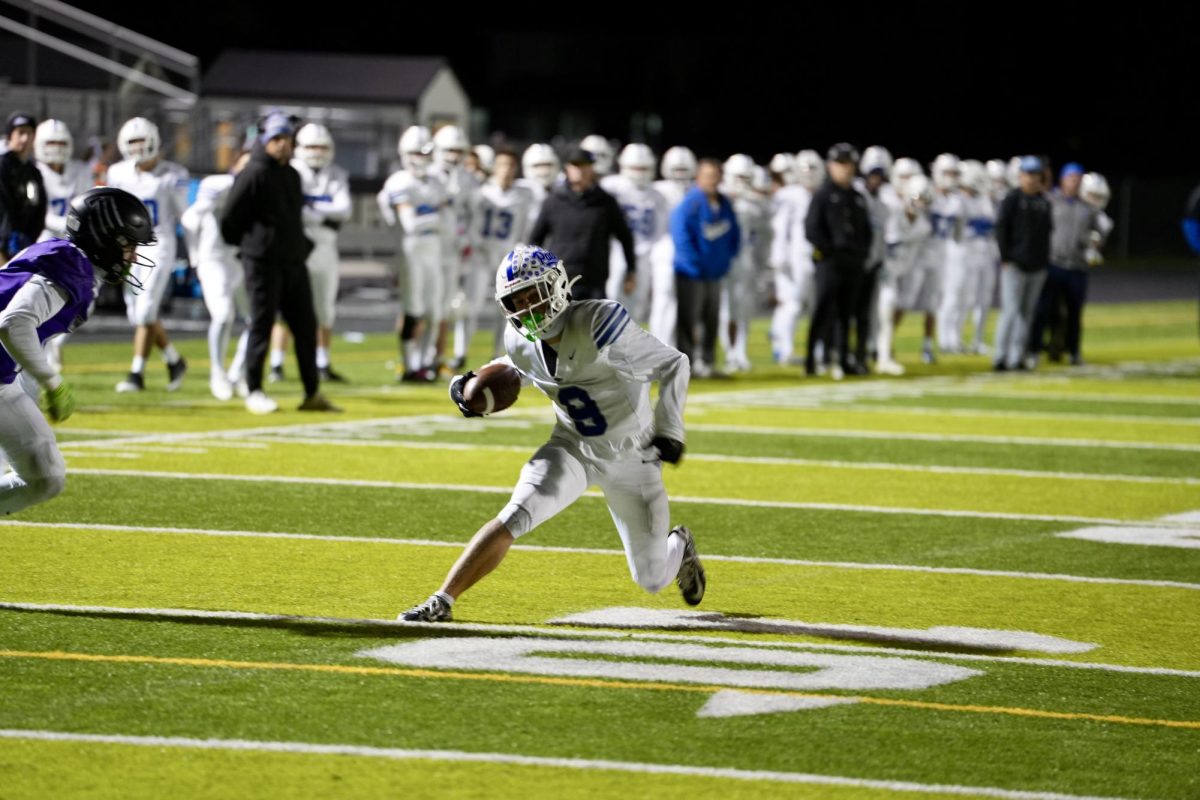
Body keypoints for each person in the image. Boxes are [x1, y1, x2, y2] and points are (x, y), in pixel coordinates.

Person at [399, 244, 702, 622]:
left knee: (652, 578)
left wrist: (670, 429)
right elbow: (510, 370)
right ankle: (441, 601)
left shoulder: (598, 323)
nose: (526, 308)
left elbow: (674, 363)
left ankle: (679, 545)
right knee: (515, 515)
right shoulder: (518, 339)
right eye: (516, 301)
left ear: (557, 285)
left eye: (533, 294)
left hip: (633, 456)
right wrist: (463, 388)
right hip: (572, 447)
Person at [0, 187, 154, 514]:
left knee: (46, 475)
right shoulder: (71, 267)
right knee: (42, 475)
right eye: (128, 245)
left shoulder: (61, 254)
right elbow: (13, 324)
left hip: (4, 376)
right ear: (105, 238)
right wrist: (52, 383)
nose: (132, 256)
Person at [220, 111, 339, 414]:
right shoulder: (254, 173)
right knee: (261, 325)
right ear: (264, 140)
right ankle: (254, 389)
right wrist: (254, 246)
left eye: (286, 138)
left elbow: (293, 217)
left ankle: (312, 393)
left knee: (305, 326)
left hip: (293, 261)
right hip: (262, 262)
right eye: (276, 139)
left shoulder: (291, 174)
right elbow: (230, 218)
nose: (282, 144)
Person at [105, 117, 190, 393]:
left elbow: (183, 214)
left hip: (158, 243)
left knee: (145, 311)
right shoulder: (118, 173)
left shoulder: (172, 174)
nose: (138, 147)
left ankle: (136, 374)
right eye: (132, 142)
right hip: (129, 247)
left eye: (142, 140)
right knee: (137, 313)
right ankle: (174, 360)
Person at [270, 123, 353, 383]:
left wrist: (311, 211)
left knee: (325, 308)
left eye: (322, 146)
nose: (317, 152)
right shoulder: (291, 171)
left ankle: (323, 362)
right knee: (286, 309)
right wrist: (321, 213)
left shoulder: (336, 174)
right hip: (296, 248)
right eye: (312, 146)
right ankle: (276, 363)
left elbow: (344, 209)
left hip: (326, 248)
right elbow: (292, 211)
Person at [377, 125, 448, 382]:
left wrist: (426, 214)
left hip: (433, 250)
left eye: (424, 152)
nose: (420, 157)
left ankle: (425, 362)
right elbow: (410, 224)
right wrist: (435, 216)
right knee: (413, 310)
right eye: (415, 152)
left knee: (434, 312)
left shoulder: (436, 181)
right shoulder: (398, 181)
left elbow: (442, 219)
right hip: (411, 251)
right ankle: (409, 364)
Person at [181, 150, 252, 401]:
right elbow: (191, 218)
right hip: (214, 259)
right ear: (234, 165)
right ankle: (217, 373)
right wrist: (194, 256)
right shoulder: (219, 184)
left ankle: (238, 373)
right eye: (245, 163)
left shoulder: (259, 188)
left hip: (243, 260)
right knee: (223, 315)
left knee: (258, 321)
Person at [529, 147, 635, 302]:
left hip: (594, 283)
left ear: (592, 169)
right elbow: (535, 240)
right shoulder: (553, 201)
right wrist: (533, 273)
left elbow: (625, 237)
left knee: (595, 325)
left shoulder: (605, 202)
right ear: (567, 168)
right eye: (575, 165)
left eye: (584, 165)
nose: (580, 170)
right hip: (558, 281)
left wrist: (631, 270)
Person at [804, 143, 872, 378]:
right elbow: (811, 229)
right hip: (830, 263)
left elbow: (866, 231)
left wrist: (860, 254)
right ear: (831, 166)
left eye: (849, 164)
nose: (845, 169)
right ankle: (811, 361)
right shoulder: (823, 195)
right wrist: (829, 252)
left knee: (847, 314)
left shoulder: (857, 197)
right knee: (822, 311)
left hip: (852, 263)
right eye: (841, 164)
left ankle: (844, 359)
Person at [33, 118, 94, 373]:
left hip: (73, 244)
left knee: (88, 299)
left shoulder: (80, 170)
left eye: (61, 142)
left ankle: (55, 340)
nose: (56, 148)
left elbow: (88, 204)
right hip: (44, 242)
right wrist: (68, 223)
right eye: (51, 142)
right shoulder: (34, 171)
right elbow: (39, 213)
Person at [671, 158, 740, 377]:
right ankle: (686, 364)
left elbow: (734, 233)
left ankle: (708, 362)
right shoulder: (690, 203)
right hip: (692, 273)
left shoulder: (724, 203)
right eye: (707, 175)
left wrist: (727, 259)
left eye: (715, 176)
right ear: (698, 177)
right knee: (689, 319)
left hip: (715, 272)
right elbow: (680, 234)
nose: (712, 180)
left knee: (712, 319)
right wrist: (693, 264)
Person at [1028, 162, 1102, 367]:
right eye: (1071, 177)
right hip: (1053, 264)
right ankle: (1034, 350)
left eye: (1078, 178)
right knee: (1043, 311)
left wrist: (1096, 241)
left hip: (1077, 267)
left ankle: (1074, 352)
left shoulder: (1088, 207)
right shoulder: (1051, 201)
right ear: (1063, 180)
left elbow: (1098, 234)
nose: (1075, 181)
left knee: (1074, 313)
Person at [466, 147, 534, 357]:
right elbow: (470, 224)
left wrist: (521, 249)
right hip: (481, 254)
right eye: (502, 164)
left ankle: (499, 353)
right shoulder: (480, 192)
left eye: (511, 165)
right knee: (471, 306)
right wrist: (475, 243)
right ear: (494, 167)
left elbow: (525, 228)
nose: (506, 169)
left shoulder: (523, 195)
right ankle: (461, 352)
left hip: (507, 258)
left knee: (506, 309)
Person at [992, 155, 1053, 371]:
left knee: (1027, 313)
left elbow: (1046, 235)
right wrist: (1006, 257)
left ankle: (1016, 357)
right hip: (1015, 264)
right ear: (1020, 176)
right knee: (1010, 310)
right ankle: (1000, 356)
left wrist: (1045, 261)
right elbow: (1001, 229)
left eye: (1035, 174)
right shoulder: (1012, 199)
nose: (1031, 179)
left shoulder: (1043, 202)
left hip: (1037, 266)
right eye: (1028, 174)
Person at [601, 144, 668, 322]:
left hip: (645, 251)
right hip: (616, 248)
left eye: (643, 168)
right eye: (635, 168)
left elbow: (660, 229)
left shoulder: (657, 195)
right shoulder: (612, 186)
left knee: (639, 302)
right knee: (612, 293)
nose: (639, 172)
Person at [768, 149, 823, 365]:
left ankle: (817, 350)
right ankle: (783, 349)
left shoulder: (821, 193)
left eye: (813, 169)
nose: (809, 174)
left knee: (815, 305)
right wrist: (779, 256)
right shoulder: (788, 195)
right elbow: (780, 228)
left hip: (816, 257)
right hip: (793, 259)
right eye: (805, 169)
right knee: (792, 304)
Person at [648, 146, 697, 346]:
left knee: (687, 304)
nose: (680, 175)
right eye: (676, 169)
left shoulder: (695, 191)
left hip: (688, 253)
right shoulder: (657, 190)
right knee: (663, 300)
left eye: (684, 170)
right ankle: (660, 345)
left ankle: (678, 347)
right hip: (663, 250)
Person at [0, 112, 47, 264]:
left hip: (24, 246)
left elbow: (40, 208)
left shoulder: (34, 173)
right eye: (20, 133)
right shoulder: (3, 166)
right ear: (9, 136)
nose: (25, 139)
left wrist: (31, 237)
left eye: (29, 133)